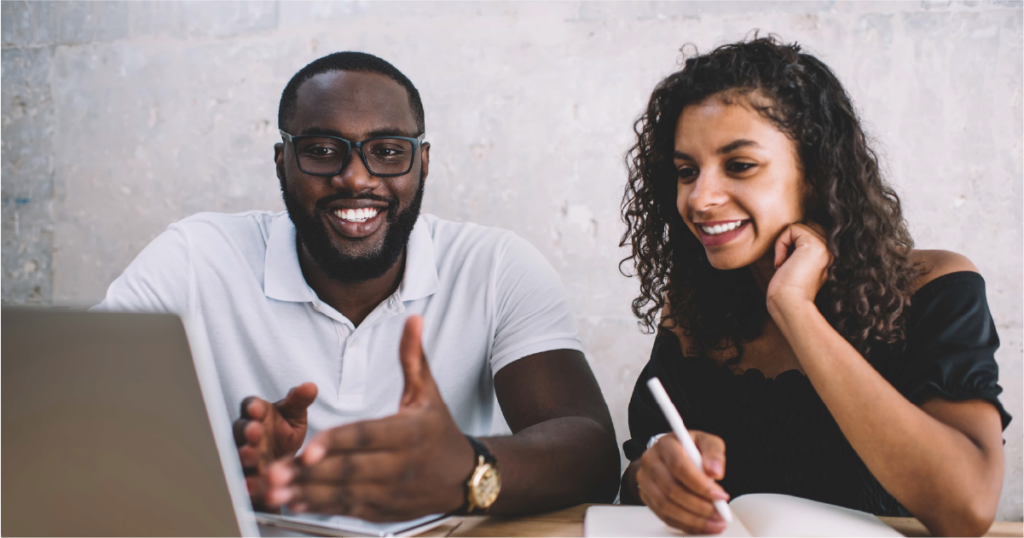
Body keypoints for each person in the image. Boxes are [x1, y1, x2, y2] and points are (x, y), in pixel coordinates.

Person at [95, 51, 620, 520]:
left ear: (424, 162)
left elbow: (591, 453)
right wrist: (224, 468)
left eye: (388, 151)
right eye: (323, 150)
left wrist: (466, 471)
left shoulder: (495, 266)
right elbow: (72, 410)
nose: (355, 177)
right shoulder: (196, 257)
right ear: (282, 162)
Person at [617, 37, 1010, 538]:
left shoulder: (935, 289)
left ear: (816, 172)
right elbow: (639, 476)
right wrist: (651, 473)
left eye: (739, 165)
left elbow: (966, 507)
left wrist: (794, 307)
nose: (700, 197)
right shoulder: (694, 312)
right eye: (686, 171)